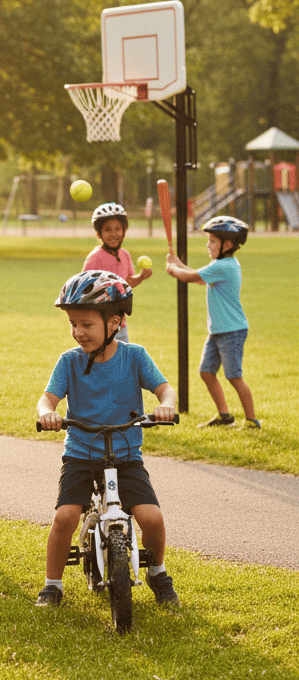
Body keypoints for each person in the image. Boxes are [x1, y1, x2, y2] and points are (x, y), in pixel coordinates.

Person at [35, 269, 179, 609]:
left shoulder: (135, 356)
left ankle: (158, 572)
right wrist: (47, 413)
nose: (78, 332)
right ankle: (52, 584)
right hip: (81, 453)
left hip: (126, 454)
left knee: (151, 518)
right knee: (65, 517)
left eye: (86, 324)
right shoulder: (69, 362)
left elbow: (164, 389)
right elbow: (48, 399)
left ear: (115, 323)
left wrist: (166, 406)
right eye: (73, 324)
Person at [166, 215, 259, 429]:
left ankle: (252, 420)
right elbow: (199, 277)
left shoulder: (225, 266)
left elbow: (190, 278)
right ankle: (224, 416)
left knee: (234, 376)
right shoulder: (221, 264)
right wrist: (179, 264)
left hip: (231, 331)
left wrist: (173, 269)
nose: (208, 245)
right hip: (218, 331)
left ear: (227, 245)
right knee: (206, 372)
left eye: (213, 241)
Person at [81, 202, 153, 343]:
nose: (113, 234)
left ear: (124, 231)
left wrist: (141, 277)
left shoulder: (125, 255)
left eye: (117, 229)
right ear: (98, 233)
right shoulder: (95, 258)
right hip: (99, 325)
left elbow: (126, 283)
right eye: (107, 230)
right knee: (100, 363)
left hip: (120, 323)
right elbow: (83, 290)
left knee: (122, 362)